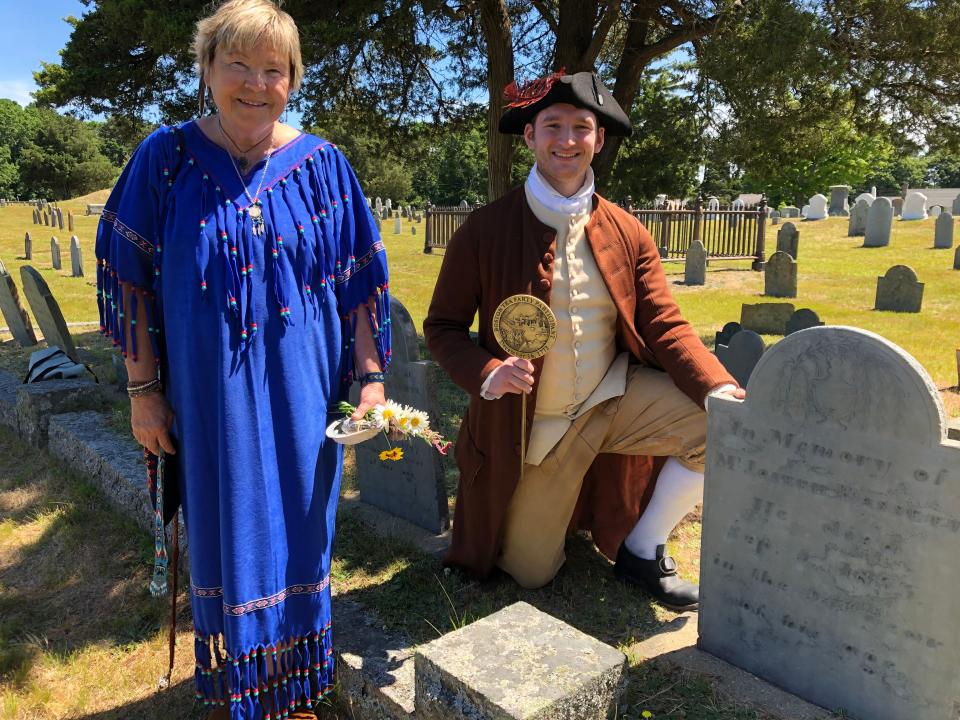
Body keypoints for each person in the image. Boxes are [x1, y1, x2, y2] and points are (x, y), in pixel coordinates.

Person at [95, 2, 390, 718]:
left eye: (275, 69)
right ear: (206, 69)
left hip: (303, 397)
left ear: (292, 80)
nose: (256, 84)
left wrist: (373, 380)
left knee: (301, 538)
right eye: (238, 65)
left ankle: (290, 688)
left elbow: (359, 283)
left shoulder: (323, 167)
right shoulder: (164, 159)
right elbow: (126, 274)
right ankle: (245, 688)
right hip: (207, 401)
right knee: (230, 533)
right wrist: (143, 392)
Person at [423, 70, 743, 610]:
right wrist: (486, 374)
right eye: (552, 126)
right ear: (529, 137)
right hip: (536, 426)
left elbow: (663, 320)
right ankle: (554, 508)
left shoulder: (627, 229)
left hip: (611, 398)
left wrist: (715, 387)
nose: (567, 140)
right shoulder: (484, 229)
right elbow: (443, 328)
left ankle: (642, 550)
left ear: (598, 138)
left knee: (721, 426)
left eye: (581, 127)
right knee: (529, 573)